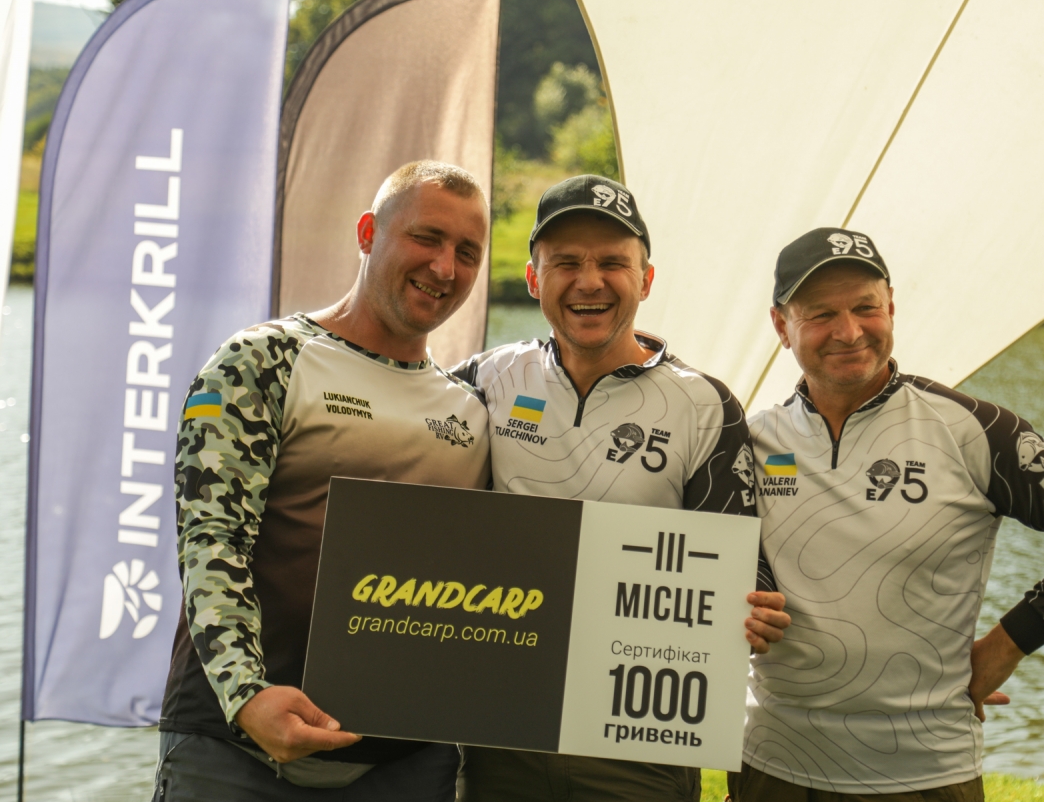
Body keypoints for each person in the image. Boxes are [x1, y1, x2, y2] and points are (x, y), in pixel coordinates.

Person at [732, 228, 1044, 801]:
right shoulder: (751, 440)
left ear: (891, 307)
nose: (849, 331)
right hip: (773, 763)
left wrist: (1004, 648)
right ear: (781, 326)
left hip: (925, 772)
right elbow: (720, 568)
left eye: (865, 308)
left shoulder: (971, 430)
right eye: (822, 314)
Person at [153, 160, 492, 801]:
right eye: (426, 238)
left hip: (404, 764)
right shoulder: (261, 360)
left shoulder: (472, 411)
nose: (445, 267)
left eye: (467, 252)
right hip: (236, 749)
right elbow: (211, 540)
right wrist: (245, 694)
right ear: (368, 233)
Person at [451, 174, 792, 802]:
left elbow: (740, 562)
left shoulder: (704, 405)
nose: (590, 282)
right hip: (500, 733)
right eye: (566, 263)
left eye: (612, 263)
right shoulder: (484, 379)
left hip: (639, 742)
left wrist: (754, 604)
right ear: (533, 279)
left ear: (646, 279)